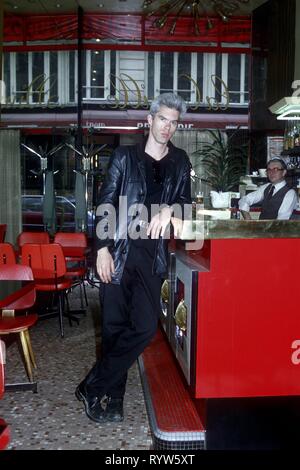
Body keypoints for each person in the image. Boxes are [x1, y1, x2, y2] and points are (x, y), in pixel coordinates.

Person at [75, 93, 192, 423]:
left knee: (143, 326)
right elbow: (106, 204)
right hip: (118, 253)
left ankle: (92, 385)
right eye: (163, 119)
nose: (167, 127)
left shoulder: (180, 160)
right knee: (114, 329)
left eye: (173, 122)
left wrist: (170, 208)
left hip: (151, 258)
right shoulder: (124, 157)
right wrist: (100, 249)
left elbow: (187, 202)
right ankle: (113, 397)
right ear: (150, 119)